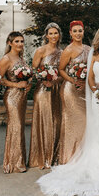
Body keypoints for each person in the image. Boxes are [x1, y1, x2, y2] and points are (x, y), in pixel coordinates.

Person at [37, 26, 99, 196]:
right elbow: (91, 79)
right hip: (97, 98)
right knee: (98, 129)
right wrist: (98, 93)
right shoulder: (93, 55)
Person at [29, 23, 63, 169]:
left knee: (56, 121)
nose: (54, 36)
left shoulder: (62, 53)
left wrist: (56, 80)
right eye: (51, 33)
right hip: (42, 90)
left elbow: (63, 73)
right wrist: (44, 79)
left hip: (56, 90)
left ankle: (54, 156)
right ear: (46, 35)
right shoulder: (40, 50)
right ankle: (41, 157)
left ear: (59, 35)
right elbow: (33, 70)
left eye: (56, 33)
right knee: (44, 120)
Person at [56, 20, 90, 164]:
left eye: (80, 31)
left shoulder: (89, 49)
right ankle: (69, 157)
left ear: (83, 32)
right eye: (74, 31)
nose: (77, 33)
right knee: (72, 122)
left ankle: (83, 156)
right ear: (70, 33)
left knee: (85, 122)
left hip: (84, 90)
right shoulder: (68, 50)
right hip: (70, 90)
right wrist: (72, 80)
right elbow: (61, 69)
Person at [0, 31, 31, 173]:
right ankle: (13, 163)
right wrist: (17, 85)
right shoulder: (6, 58)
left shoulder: (21, 58)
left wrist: (28, 82)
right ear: (9, 43)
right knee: (15, 126)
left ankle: (19, 160)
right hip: (12, 96)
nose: (20, 44)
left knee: (20, 127)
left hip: (22, 96)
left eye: (22, 41)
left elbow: (26, 76)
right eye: (16, 41)